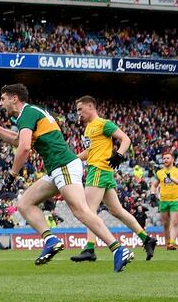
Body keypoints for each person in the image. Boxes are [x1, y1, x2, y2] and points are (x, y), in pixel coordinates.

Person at [0, 84, 133, 272]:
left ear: (14, 99)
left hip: (64, 165)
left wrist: (12, 174)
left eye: (2, 99)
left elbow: (24, 147)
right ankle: (51, 240)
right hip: (57, 169)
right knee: (25, 203)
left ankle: (119, 249)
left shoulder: (27, 113)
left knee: (81, 211)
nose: (0, 104)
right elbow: (17, 139)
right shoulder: (30, 113)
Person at [69, 96, 157, 262]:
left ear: (90, 106)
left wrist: (119, 155)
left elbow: (126, 139)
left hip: (98, 169)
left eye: (81, 109)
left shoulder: (103, 124)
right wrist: (72, 159)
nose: (78, 113)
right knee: (117, 211)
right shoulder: (89, 128)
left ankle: (89, 249)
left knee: (88, 210)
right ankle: (146, 239)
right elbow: (89, 152)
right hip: (102, 170)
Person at [150, 151, 178, 250]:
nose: (165, 160)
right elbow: (154, 185)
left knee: (174, 222)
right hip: (163, 201)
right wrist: (152, 194)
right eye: (164, 158)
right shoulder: (159, 172)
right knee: (165, 224)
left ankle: (172, 243)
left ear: (173, 160)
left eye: (167, 158)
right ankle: (168, 243)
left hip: (176, 200)